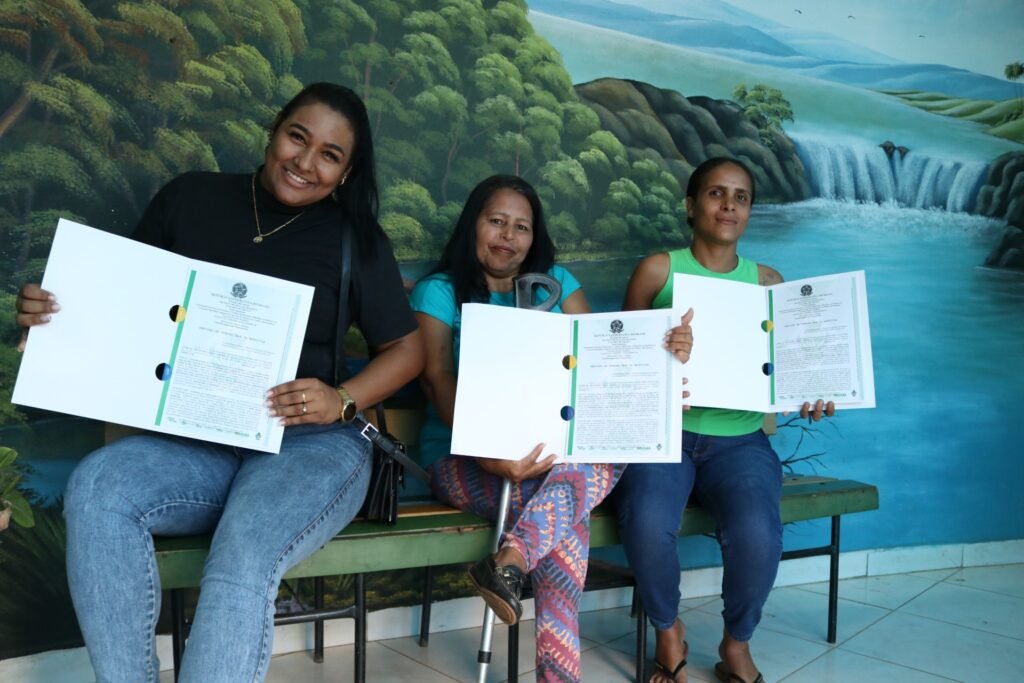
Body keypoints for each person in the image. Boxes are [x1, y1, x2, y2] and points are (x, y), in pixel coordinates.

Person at [14, 82, 424, 683]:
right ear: (273, 131)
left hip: (308, 445)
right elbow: (122, 299)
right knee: (98, 486)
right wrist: (51, 314)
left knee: (245, 550)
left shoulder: (355, 239)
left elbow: (407, 350)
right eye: (297, 138)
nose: (306, 163)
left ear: (346, 172)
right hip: (196, 439)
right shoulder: (191, 199)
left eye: (329, 156)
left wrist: (341, 398)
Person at [612, 157, 835, 683]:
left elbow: (789, 368)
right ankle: (668, 631)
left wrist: (813, 393)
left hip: (740, 441)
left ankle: (736, 644)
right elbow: (623, 363)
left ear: (750, 211)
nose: (729, 204)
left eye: (741, 196)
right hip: (666, 436)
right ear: (691, 206)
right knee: (645, 521)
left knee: (759, 532)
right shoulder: (657, 270)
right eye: (716, 193)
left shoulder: (767, 282)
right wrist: (662, 350)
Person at [410, 175, 620, 682]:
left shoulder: (557, 284)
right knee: (567, 520)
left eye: (521, 227)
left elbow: (596, 366)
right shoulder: (440, 292)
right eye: (496, 221)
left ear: (534, 235)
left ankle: (511, 559)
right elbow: (437, 381)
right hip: (461, 459)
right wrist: (489, 456)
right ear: (473, 225)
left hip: (550, 456)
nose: (508, 236)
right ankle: (557, 673)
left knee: (614, 450)